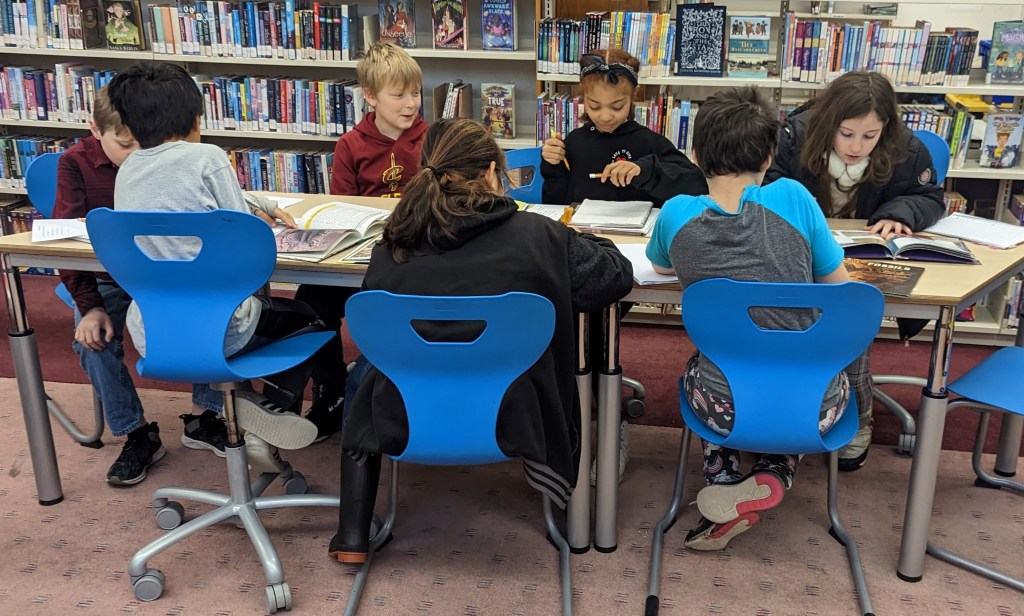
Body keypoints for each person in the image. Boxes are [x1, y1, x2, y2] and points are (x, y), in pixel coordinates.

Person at [329, 118, 633, 564]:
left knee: (367, 371)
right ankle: (575, 521)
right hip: (516, 412)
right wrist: (586, 241)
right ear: (492, 173)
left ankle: (352, 533)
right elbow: (614, 278)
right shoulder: (538, 236)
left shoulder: (395, 240)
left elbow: (374, 324)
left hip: (404, 410)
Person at [646, 86, 852, 550]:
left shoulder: (677, 213)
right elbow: (840, 286)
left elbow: (660, 266)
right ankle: (774, 471)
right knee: (800, 372)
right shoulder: (795, 198)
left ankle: (722, 480)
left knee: (708, 367)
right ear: (769, 156)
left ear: (695, 153)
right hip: (814, 405)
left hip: (720, 404)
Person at [105, 61, 324, 471]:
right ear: (194, 117)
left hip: (154, 333)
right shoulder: (208, 157)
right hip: (221, 328)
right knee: (314, 319)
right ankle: (264, 412)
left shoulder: (128, 168)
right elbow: (240, 236)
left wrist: (255, 203)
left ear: (131, 125)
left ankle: (246, 406)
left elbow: (185, 208)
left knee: (217, 299)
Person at [539, 48, 709, 483]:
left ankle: (610, 424)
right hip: (581, 251)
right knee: (572, 335)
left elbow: (693, 183)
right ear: (581, 101)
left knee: (596, 333)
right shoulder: (575, 142)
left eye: (617, 106)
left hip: (627, 259)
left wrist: (645, 169)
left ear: (635, 98)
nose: (606, 116)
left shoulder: (649, 142)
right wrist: (552, 166)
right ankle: (575, 421)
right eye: (594, 107)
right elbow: (558, 205)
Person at [763, 71, 944, 472]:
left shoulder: (907, 148)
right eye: (846, 134)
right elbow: (764, 183)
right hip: (800, 257)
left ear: (886, 129)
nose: (856, 146)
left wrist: (900, 213)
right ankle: (794, 406)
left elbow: (929, 197)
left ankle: (857, 417)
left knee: (850, 317)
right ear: (829, 124)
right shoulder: (794, 135)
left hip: (863, 261)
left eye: (870, 135)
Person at [293, 42, 430, 443]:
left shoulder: (432, 139)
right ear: (370, 97)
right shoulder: (351, 145)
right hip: (362, 254)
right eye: (399, 95)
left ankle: (395, 388)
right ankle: (335, 391)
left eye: (416, 93)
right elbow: (343, 209)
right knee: (310, 303)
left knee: (394, 310)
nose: (411, 104)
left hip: (415, 257)